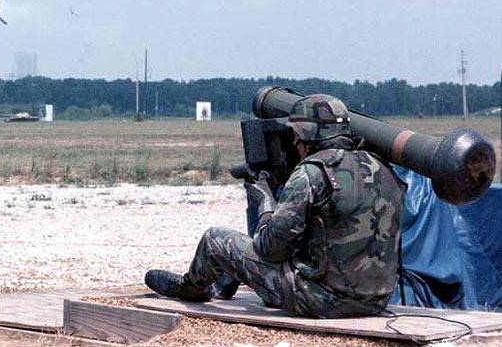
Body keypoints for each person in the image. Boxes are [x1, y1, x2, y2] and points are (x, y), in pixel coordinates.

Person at [144, 94, 406, 318]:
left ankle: (192, 288)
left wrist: (266, 204)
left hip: (323, 301)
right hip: (375, 302)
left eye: (296, 136)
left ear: (307, 135)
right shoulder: (381, 167)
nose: (294, 143)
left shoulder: (312, 174)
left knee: (215, 240)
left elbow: (269, 250)